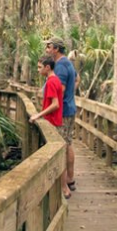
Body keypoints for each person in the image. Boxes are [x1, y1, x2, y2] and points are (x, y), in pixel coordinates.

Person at [29, 55, 70, 198]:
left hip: (53, 123)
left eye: (40, 67)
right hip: (54, 122)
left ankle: (63, 188)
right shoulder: (54, 80)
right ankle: (63, 188)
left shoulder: (52, 82)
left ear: (47, 67)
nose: (38, 69)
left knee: (57, 157)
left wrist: (38, 115)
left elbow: (55, 104)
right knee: (59, 156)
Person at [46, 37, 78, 192]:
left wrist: (50, 99)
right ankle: (70, 179)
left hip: (63, 111)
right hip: (70, 107)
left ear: (56, 49)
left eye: (49, 46)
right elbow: (77, 79)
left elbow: (61, 88)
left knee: (61, 146)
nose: (47, 49)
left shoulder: (60, 66)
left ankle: (64, 184)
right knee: (68, 143)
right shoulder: (69, 64)